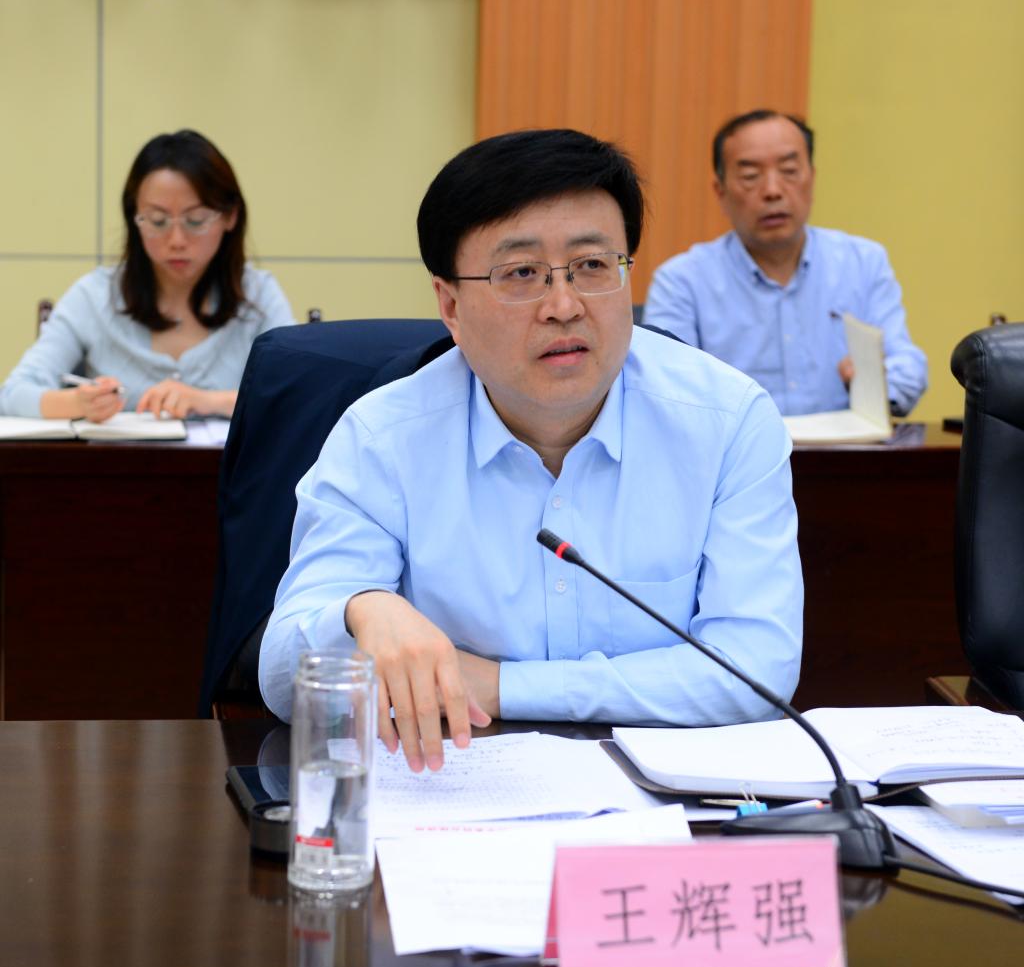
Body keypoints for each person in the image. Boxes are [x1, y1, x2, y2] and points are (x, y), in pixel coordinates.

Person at [259, 128, 802, 772]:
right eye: (521, 274)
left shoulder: (728, 422)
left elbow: (756, 672)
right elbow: (283, 678)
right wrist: (361, 609)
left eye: (593, 266)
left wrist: (497, 685)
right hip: (451, 792)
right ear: (450, 305)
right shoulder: (382, 437)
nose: (564, 307)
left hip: (664, 804)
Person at [644, 110, 927, 417]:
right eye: (750, 176)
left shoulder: (863, 263)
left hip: (843, 446)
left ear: (812, 178)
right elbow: (665, 388)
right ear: (721, 192)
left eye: (789, 171)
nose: (773, 191)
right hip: (733, 446)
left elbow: (907, 368)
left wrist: (873, 381)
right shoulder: (681, 281)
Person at [0, 129, 294, 420]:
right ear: (134, 219)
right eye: (157, 220)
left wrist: (209, 401)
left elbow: (298, 396)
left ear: (230, 216)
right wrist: (78, 403)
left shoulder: (258, 295)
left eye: (195, 220)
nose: (177, 240)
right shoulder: (94, 296)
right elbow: (12, 394)